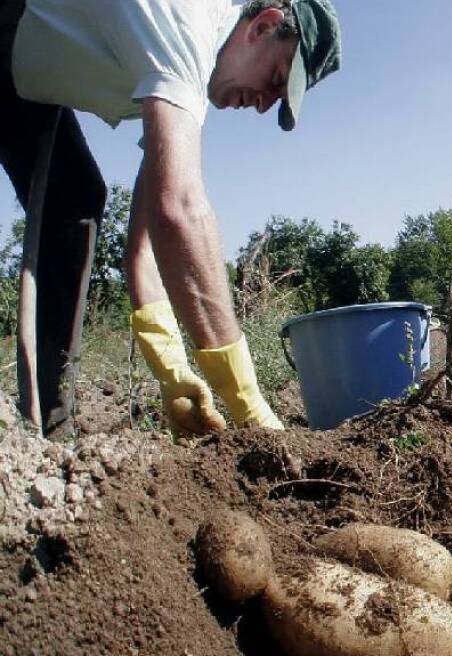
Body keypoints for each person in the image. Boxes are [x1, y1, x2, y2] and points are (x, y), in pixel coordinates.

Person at [1, 0, 341, 436]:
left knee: (74, 202)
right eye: (274, 80)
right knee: (73, 198)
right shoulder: (187, 21)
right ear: (264, 25)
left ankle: (49, 427)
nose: (261, 105)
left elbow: (146, 251)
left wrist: (173, 370)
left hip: (25, 74)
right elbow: (179, 212)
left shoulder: (185, 84)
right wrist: (249, 405)